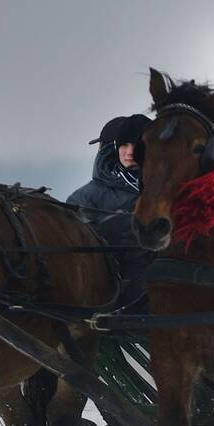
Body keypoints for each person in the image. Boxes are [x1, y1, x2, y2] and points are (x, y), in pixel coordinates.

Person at [68, 113, 153, 304]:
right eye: (123, 145)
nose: (129, 152)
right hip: (109, 301)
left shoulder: (163, 192)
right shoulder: (83, 197)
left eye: (135, 144)